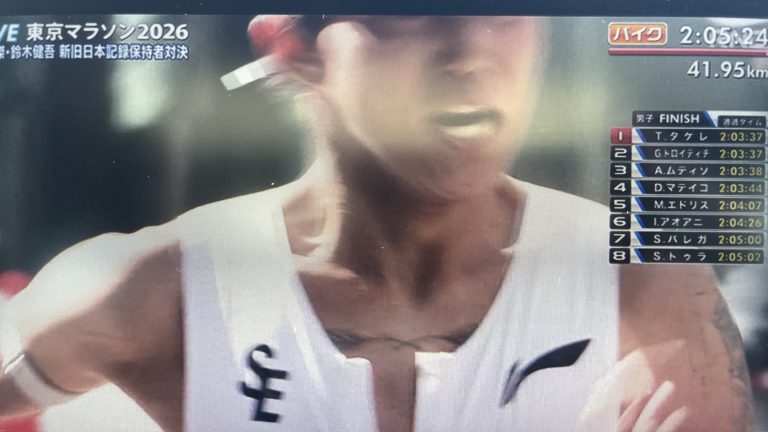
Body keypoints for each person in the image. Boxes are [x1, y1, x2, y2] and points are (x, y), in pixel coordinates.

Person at [0, 15, 754, 432]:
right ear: (291, 46)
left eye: (504, 12)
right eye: (409, 14)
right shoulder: (149, 289)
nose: (469, 55)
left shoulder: (645, 284)